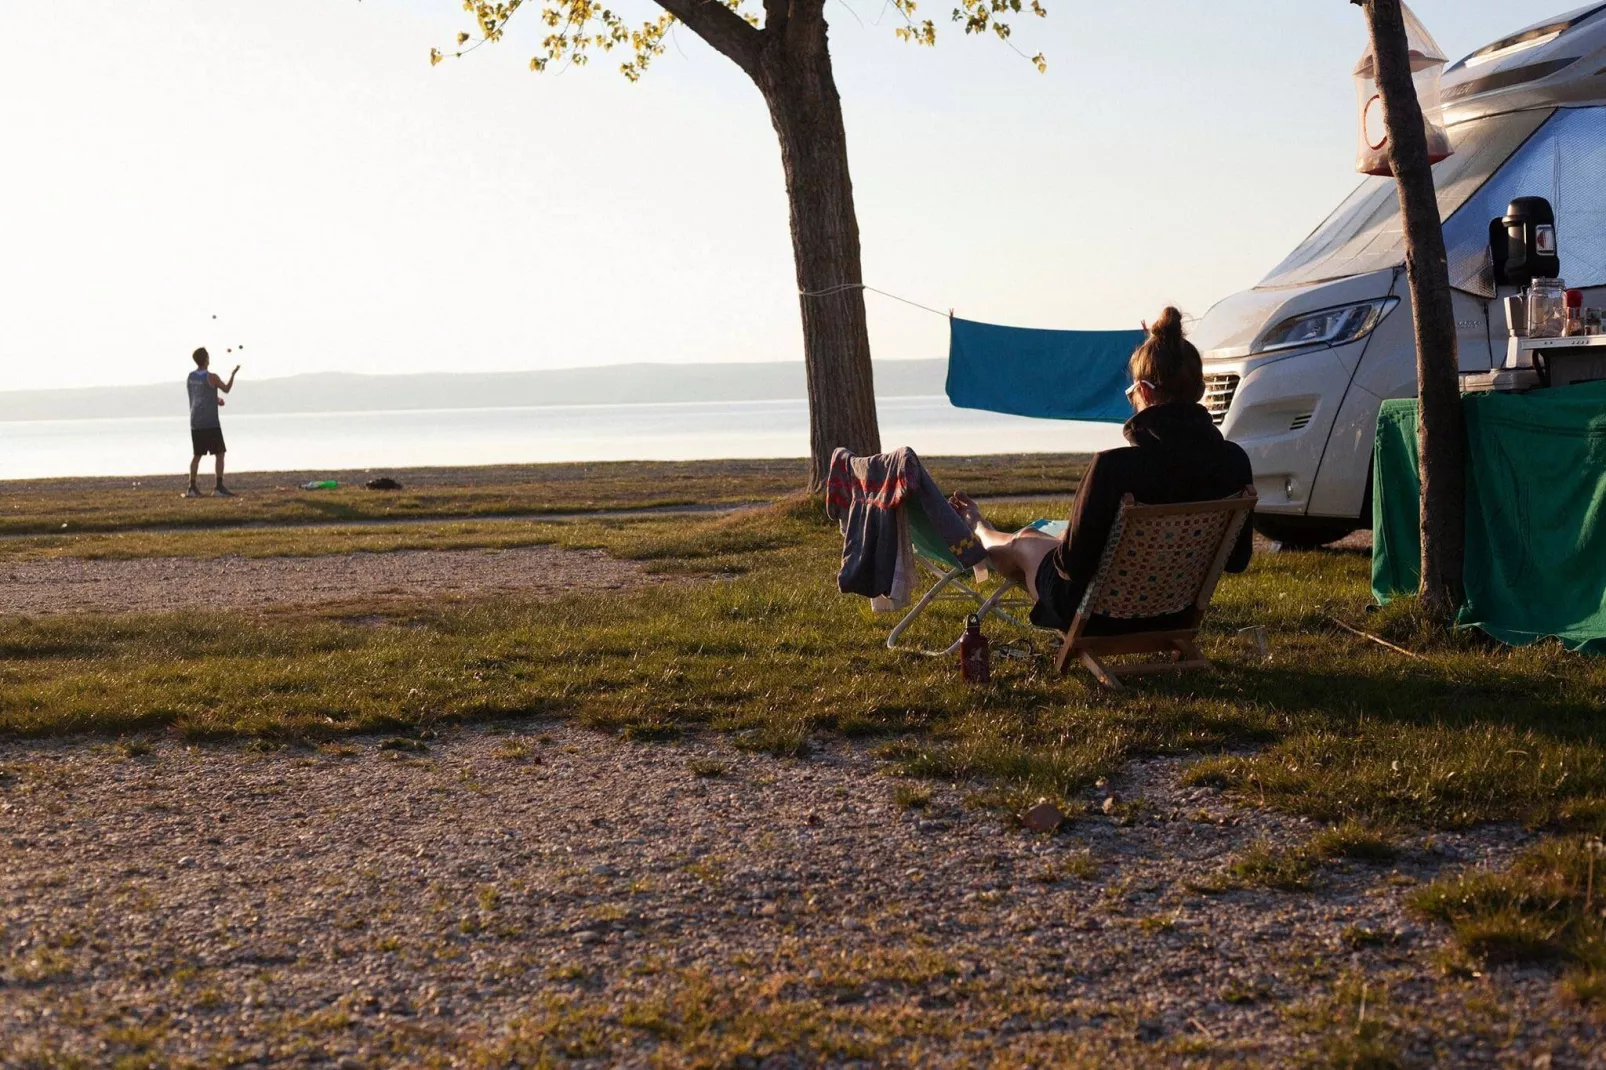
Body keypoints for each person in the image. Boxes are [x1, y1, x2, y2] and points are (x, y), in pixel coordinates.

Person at [951, 307, 1254, 634]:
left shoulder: (1115, 467)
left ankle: (980, 530)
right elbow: (1235, 561)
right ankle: (987, 530)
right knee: (1034, 538)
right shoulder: (1234, 461)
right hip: (1175, 614)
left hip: (1100, 617)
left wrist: (1068, 541)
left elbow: (1072, 567)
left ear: (1146, 392)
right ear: (1200, 391)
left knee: (1024, 542)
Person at [186, 347, 240, 498]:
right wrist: (233, 374)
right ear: (206, 359)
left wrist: (215, 399)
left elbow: (199, 396)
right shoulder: (212, 377)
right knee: (220, 453)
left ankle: (192, 487)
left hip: (195, 422)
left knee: (197, 455)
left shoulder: (190, 377)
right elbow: (227, 389)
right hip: (210, 422)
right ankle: (218, 486)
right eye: (208, 356)